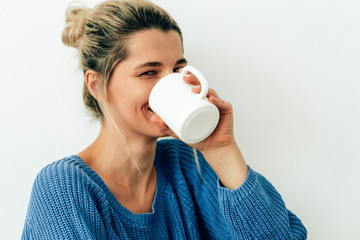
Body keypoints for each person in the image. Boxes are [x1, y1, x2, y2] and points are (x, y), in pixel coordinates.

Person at [21, 0, 307, 239]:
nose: (171, 84)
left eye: (178, 69)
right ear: (97, 85)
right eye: (149, 72)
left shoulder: (188, 166)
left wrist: (222, 151)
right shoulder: (63, 187)